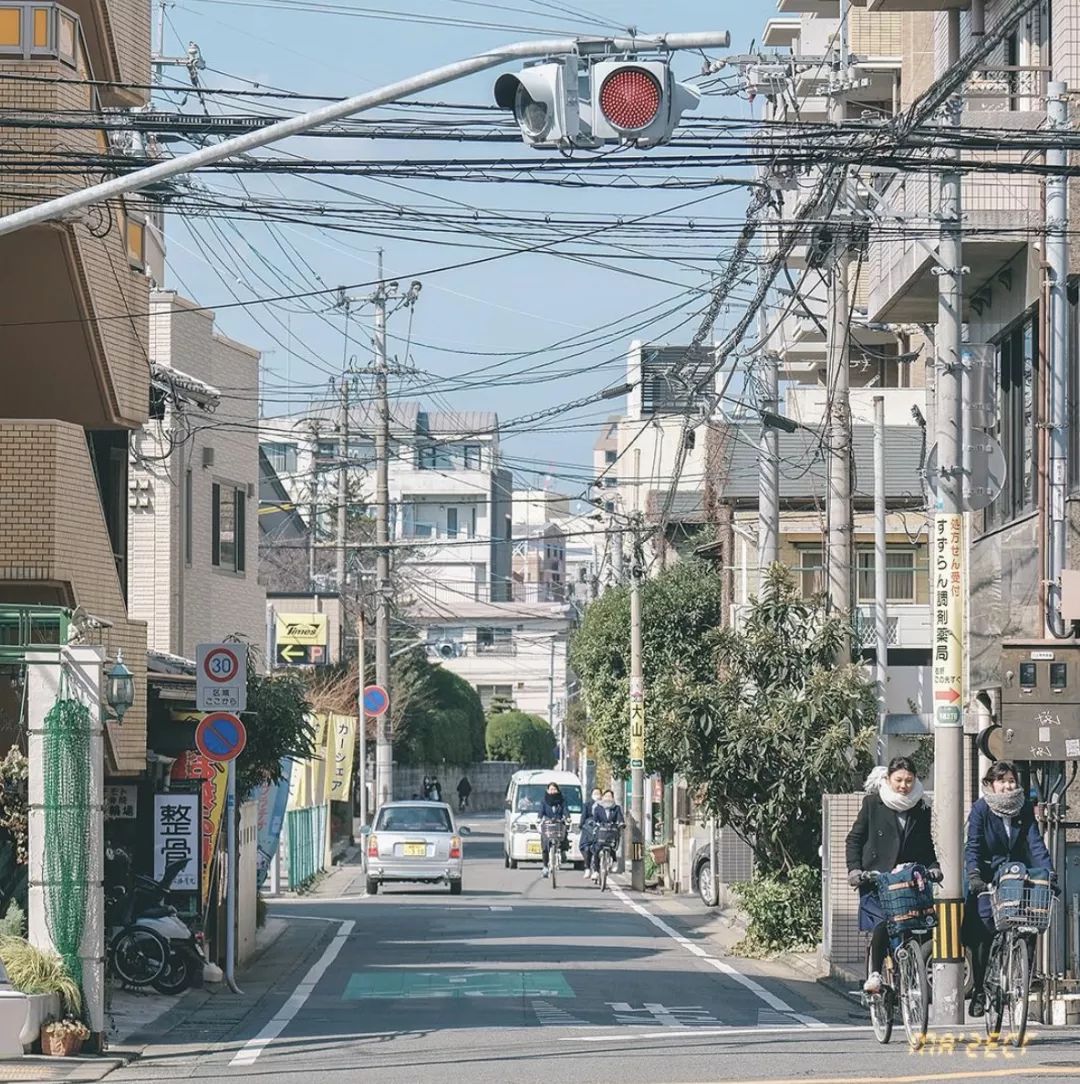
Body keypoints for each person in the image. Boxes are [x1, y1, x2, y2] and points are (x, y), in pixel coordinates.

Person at [963, 760, 1053, 1017]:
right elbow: (974, 846)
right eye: (1002, 780)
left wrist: (1049, 874)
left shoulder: (1024, 808)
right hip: (988, 876)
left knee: (1030, 920)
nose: (1008, 785)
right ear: (991, 784)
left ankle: (1022, 973)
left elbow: (1035, 844)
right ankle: (980, 989)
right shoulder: (981, 809)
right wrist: (974, 874)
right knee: (983, 931)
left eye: (1011, 780)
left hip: (1017, 873)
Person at [846, 757, 942, 995]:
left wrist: (933, 866)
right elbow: (854, 839)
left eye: (909, 781)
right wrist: (855, 869)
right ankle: (875, 973)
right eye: (898, 780)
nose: (904, 786)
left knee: (916, 923)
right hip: (876, 879)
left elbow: (926, 845)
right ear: (888, 779)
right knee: (882, 922)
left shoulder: (921, 807)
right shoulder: (872, 804)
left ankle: (908, 974)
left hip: (907, 880)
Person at [589, 789, 625, 882]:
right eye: (606, 796)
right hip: (601, 832)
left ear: (613, 798)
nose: (608, 798)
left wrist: (621, 823)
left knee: (612, 846)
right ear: (603, 797)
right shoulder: (598, 808)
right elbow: (595, 819)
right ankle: (596, 871)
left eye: (610, 796)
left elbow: (620, 818)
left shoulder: (616, 808)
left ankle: (614, 861)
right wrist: (594, 823)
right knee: (597, 849)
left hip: (612, 831)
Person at [539, 782, 568, 878]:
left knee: (563, 834)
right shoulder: (544, 800)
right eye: (551, 789)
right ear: (547, 790)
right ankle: (545, 866)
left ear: (558, 790)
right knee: (545, 843)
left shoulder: (562, 800)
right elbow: (541, 811)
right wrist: (539, 818)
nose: (552, 791)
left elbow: (565, 810)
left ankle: (563, 851)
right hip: (548, 823)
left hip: (558, 822)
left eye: (554, 789)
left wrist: (567, 817)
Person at [579, 788, 602, 881]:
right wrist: (581, 825)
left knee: (598, 848)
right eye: (595, 793)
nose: (596, 795)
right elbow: (583, 816)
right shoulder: (587, 805)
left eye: (598, 793)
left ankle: (597, 870)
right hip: (588, 829)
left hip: (600, 829)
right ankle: (587, 867)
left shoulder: (604, 805)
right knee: (586, 847)